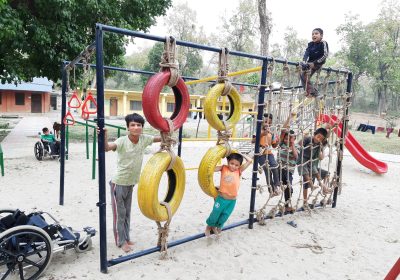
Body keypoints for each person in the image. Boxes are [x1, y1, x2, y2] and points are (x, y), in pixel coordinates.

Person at [101, 113, 161, 253]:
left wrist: (167, 129)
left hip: (131, 183)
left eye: (139, 125)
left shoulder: (144, 139)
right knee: (119, 213)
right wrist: (104, 135)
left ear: (142, 127)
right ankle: (121, 242)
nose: (136, 127)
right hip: (119, 183)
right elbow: (107, 148)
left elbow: (159, 138)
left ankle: (126, 237)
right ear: (128, 127)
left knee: (127, 213)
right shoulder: (122, 141)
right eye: (132, 125)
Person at [205, 152, 252, 236]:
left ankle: (216, 227)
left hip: (232, 201)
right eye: (232, 163)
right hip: (221, 198)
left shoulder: (239, 171)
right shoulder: (224, 168)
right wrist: (218, 155)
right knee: (215, 213)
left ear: (239, 166)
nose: (234, 166)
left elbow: (249, 160)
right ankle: (209, 227)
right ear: (228, 162)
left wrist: (240, 153)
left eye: (236, 165)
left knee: (225, 215)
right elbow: (211, 168)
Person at [297, 127, 328, 206]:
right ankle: (311, 186)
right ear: (314, 134)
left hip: (311, 162)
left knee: (316, 171)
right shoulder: (308, 139)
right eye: (318, 136)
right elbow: (299, 144)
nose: (318, 139)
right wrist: (304, 137)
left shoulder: (319, 145)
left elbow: (321, 157)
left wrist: (321, 148)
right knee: (306, 176)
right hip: (303, 161)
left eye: (321, 138)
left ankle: (322, 185)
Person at [252, 113, 280, 196]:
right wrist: (262, 134)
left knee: (274, 166)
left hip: (269, 153)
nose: (267, 123)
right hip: (260, 154)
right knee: (267, 169)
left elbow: (274, 145)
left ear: (270, 123)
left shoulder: (271, 133)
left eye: (269, 122)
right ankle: (271, 190)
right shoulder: (258, 130)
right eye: (265, 121)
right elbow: (253, 140)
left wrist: (277, 142)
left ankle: (276, 186)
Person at [300, 28, 329, 97]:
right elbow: (307, 52)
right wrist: (304, 60)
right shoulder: (310, 44)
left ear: (321, 35)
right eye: (312, 34)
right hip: (310, 63)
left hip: (318, 63)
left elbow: (325, 55)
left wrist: (315, 63)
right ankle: (311, 92)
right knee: (303, 75)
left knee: (304, 75)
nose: (314, 35)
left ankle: (312, 92)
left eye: (316, 34)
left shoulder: (323, 43)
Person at [277, 127, 299, 213]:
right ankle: (277, 186)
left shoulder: (296, 146)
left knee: (289, 188)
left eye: (290, 139)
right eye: (286, 139)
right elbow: (282, 132)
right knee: (283, 183)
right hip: (280, 168)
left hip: (289, 171)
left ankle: (287, 206)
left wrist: (292, 144)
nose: (287, 141)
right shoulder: (282, 144)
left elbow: (296, 156)